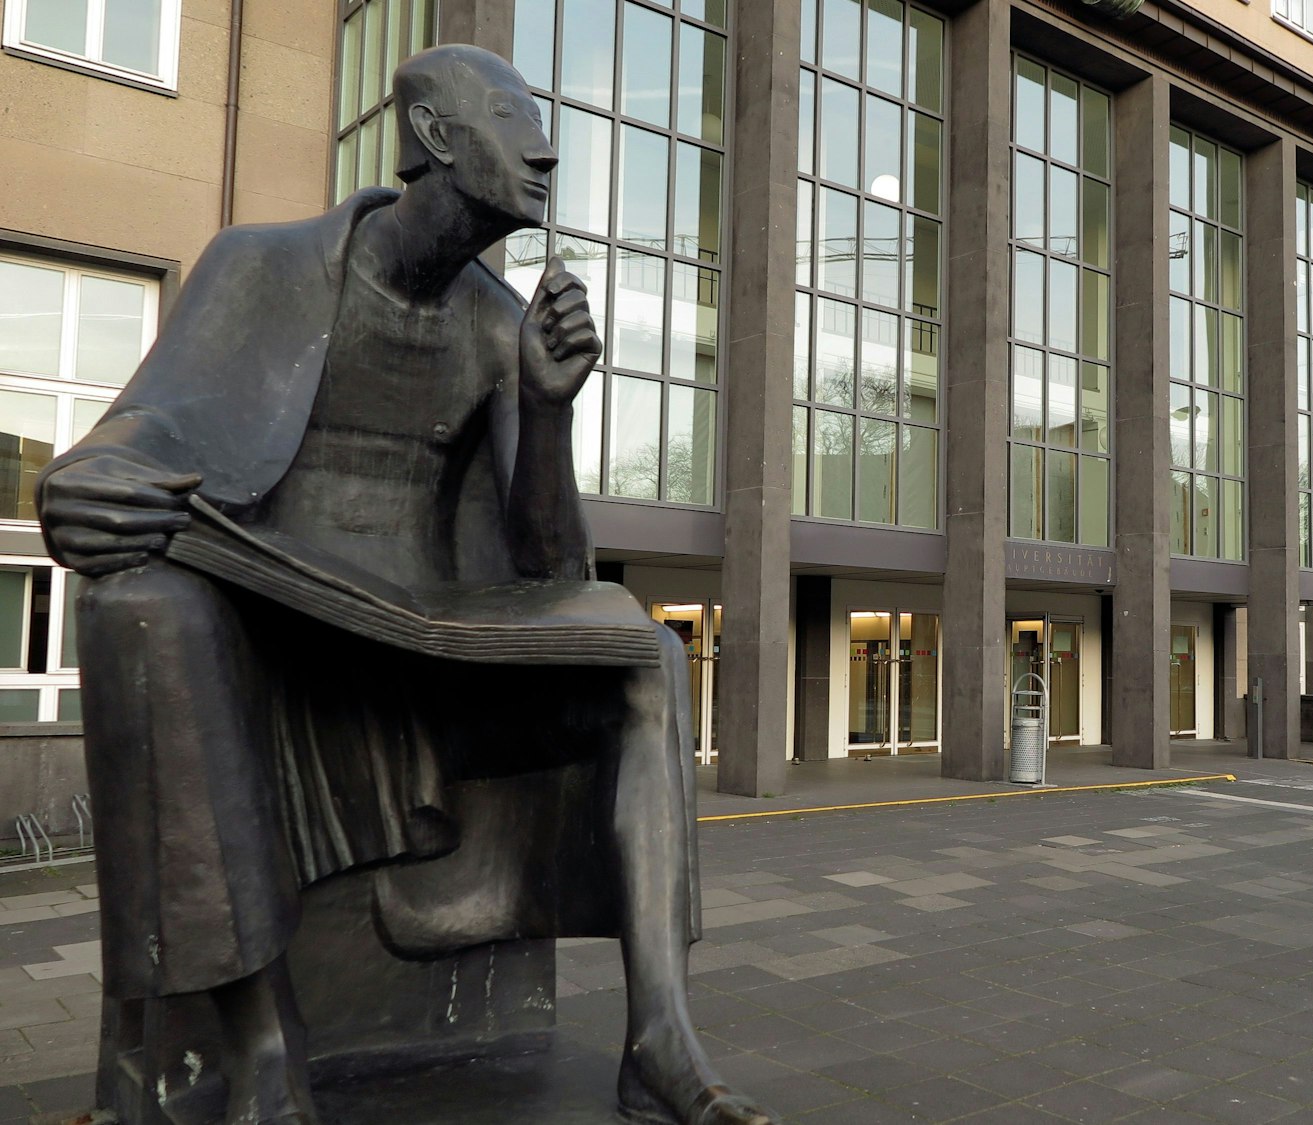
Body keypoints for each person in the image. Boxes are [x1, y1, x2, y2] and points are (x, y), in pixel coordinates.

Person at [38, 45, 769, 1125]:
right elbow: (153, 426)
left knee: (650, 656)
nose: (544, 146)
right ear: (434, 136)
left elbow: (548, 571)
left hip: (433, 670)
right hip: (277, 654)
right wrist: (86, 478)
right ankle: (261, 1047)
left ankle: (659, 1036)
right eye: (515, 116)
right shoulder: (263, 266)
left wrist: (548, 406)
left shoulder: (494, 322)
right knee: (140, 603)